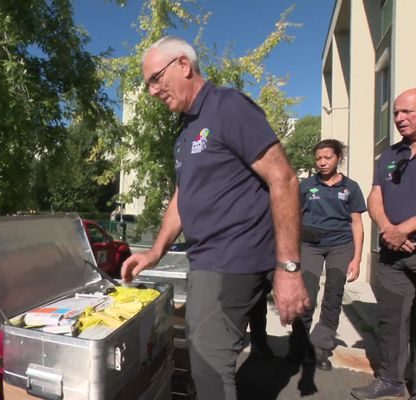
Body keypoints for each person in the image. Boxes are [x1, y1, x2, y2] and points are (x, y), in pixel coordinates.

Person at [120, 36, 310, 400]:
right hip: (207, 260)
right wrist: (154, 251)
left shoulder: (227, 106)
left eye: (155, 79)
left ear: (183, 65)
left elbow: (283, 178)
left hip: (231, 259)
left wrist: (288, 269)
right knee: (204, 360)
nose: (151, 91)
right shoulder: (185, 130)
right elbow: (183, 196)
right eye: (148, 84)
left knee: (208, 366)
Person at [351, 88, 416, 400]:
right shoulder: (390, 155)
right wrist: (390, 229)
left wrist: (405, 228)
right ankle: (391, 380)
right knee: (392, 321)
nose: (400, 118)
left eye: (408, 112)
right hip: (392, 255)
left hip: (407, 243)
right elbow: (375, 194)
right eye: (396, 113)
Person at [287, 139, 366, 371]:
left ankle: (320, 347)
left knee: (333, 295)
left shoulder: (350, 188)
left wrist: (357, 258)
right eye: (318, 158)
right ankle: (298, 345)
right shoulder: (306, 186)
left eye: (327, 158)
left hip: (341, 247)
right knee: (306, 295)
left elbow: (357, 224)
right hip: (310, 246)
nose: (322, 162)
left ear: (338, 158)